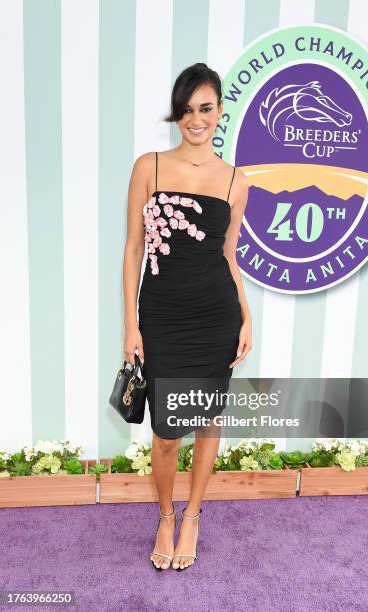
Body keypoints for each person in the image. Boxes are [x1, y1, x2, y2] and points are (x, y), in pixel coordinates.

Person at [122, 63, 252, 571]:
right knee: (167, 433)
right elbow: (133, 248)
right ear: (177, 114)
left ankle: (193, 515)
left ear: (220, 111)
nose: (195, 119)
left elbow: (230, 257)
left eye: (205, 108)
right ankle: (163, 513)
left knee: (208, 421)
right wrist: (130, 325)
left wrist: (245, 316)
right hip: (162, 317)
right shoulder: (148, 166)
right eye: (186, 109)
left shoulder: (236, 181)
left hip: (216, 315)